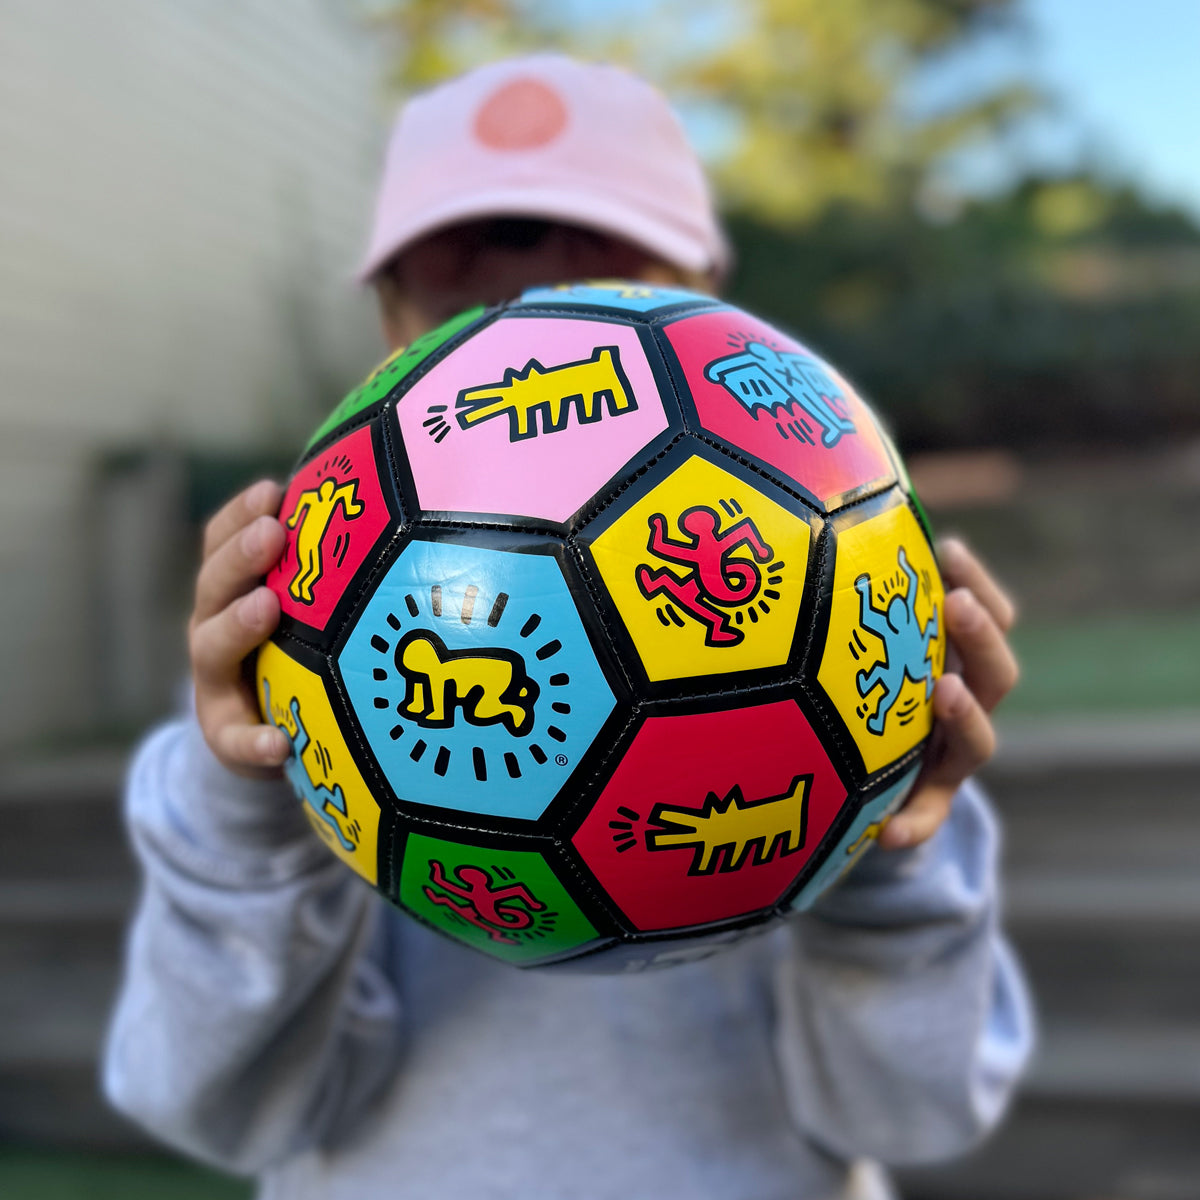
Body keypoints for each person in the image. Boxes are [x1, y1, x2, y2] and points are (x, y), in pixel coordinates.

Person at [103, 55, 1032, 1200]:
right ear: (390, 329)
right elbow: (210, 1106)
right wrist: (251, 813)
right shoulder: (293, 690)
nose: (533, 292)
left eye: (601, 272)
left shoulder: (850, 658)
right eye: (469, 278)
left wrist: (885, 833)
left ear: (716, 311)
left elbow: (917, 1108)